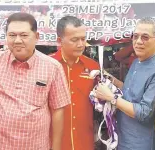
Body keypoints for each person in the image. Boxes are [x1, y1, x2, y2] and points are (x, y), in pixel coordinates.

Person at [0, 12, 71, 150]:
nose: (17, 40)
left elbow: (58, 111)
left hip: (35, 146)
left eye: (24, 35)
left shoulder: (52, 67)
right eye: (12, 35)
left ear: (36, 37)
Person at [94, 17, 155, 150]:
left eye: (145, 37)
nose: (138, 41)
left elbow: (144, 113)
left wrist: (111, 98)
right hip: (123, 137)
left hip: (140, 143)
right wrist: (113, 81)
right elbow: (130, 93)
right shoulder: (137, 62)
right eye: (135, 36)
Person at [50, 16, 99, 150]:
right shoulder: (47, 66)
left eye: (83, 39)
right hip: (54, 142)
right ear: (60, 40)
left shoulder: (93, 67)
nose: (81, 44)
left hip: (84, 141)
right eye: (74, 40)